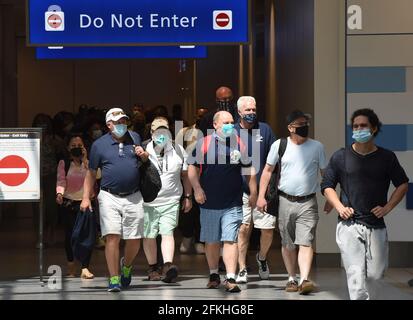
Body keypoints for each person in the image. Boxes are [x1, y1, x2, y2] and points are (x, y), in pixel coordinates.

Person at [321, 108, 409, 300]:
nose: (359, 129)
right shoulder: (341, 156)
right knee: (356, 278)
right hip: (349, 225)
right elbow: (327, 185)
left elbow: (402, 184)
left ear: (374, 128)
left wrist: (387, 207)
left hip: (376, 225)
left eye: (363, 125)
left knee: (376, 275)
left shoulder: (387, 157)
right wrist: (339, 207)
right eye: (355, 126)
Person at [257, 110, 327, 295]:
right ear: (290, 128)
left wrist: (330, 197)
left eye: (306, 123)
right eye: (300, 124)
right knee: (288, 243)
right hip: (285, 200)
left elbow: (324, 174)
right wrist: (261, 196)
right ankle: (291, 278)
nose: (304, 127)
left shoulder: (317, 147)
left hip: (308, 201)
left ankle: (304, 279)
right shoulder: (279, 145)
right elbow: (267, 171)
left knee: (306, 241)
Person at [80, 108, 149, 292]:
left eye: (124, 121)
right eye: (117, 122)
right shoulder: (99, 145)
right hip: (109, 196)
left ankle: (126, 266)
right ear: (109, 125)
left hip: (134, 195)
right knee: (112, 236)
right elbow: (92, 172)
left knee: (135, 238)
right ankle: (114, 278)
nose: (121, 125)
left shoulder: (134, 137)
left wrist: (144, 156)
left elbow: (144, 163)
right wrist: (86, 197)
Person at [188, 111, 257, 293]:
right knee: (211, 241)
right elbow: (192, 169)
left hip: (232, 202)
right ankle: (213, 274)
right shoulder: (204, 144)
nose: (230, 125)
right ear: (215, 125)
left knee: (230, 240)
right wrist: (196, 189)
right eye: (226, 122)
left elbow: (249, 170)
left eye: (232, 122)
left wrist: (254, 192)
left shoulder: (239, 143)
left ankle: (231, 277)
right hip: (209, 202)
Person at [142, 117, 193, 282]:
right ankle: (152, 268)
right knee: (149, 235)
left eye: (164, 131)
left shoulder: (178, 150)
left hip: (171, 200)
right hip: (147, 202)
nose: (161, 135)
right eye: (158, 132)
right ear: (151, 133)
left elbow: (185, 176)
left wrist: (187, 197)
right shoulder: (143, 149)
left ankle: (168, 265)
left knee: (167, 232)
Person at [234, 96, 276, 283]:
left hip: (263, 191)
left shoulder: (265, 130)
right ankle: (242, 268)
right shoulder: (232, 131)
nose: (251, 113)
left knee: (267, 230)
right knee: (243, 229)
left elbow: (273, 162)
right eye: (248, 110)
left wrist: (265, 191)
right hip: (239, 191)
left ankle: (262, 258)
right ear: (239, 112)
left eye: (254, 109)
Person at [56, 134, 94, 279]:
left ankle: (85, 267)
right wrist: (59, 194)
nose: (76, 148)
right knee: (71, 236)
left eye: (79, 145)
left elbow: (96, 176)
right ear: (68, 148)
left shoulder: (89, 163)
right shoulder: (64, 163)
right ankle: (71, 265)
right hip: (69, 204)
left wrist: (85, 161)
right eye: (73, 146)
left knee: (87, 236)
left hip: (86, 203)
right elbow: (61, 180)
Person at [175, 106, 209, 254]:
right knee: (187, 208)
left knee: (203, 208)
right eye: (199, 116)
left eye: (204, 116)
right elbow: (177, 153)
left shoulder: (213, 133)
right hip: (187, 174)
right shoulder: (185, 132)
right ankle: (187, 236)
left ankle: (200, 240)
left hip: (206, 176)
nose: (201, 119)